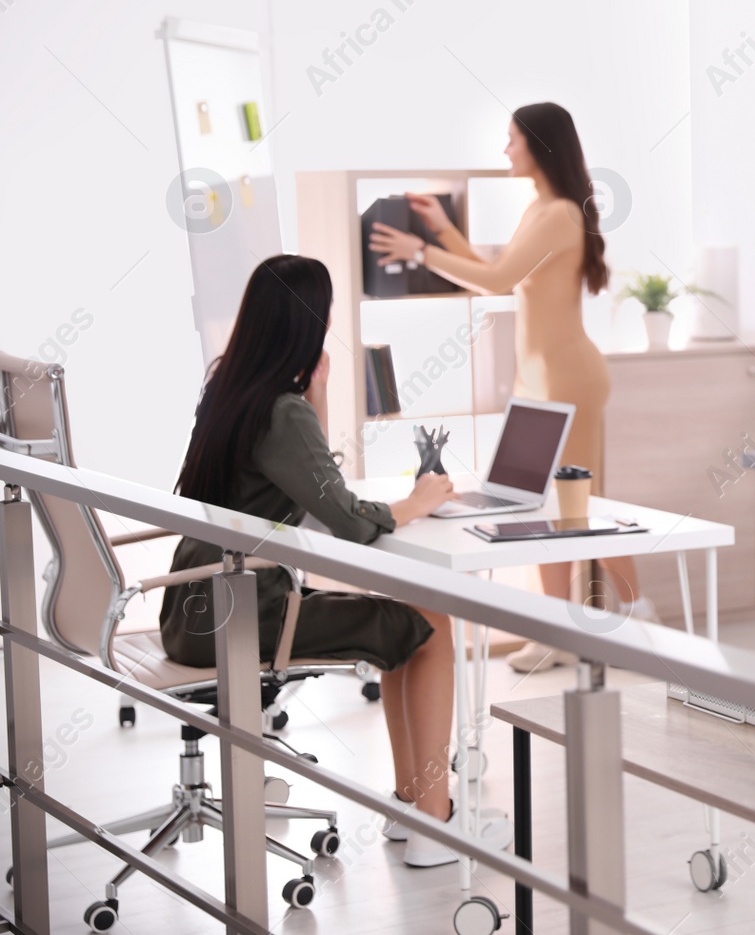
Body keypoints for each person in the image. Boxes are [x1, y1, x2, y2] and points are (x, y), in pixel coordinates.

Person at [163, 254, 509, 867]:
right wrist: (416, 501)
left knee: (407, 614)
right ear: (307, 325)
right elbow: (347, 520)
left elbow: (307, 484)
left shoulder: (228, 388)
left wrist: (315, 399)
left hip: (191, 607)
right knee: (429, 628)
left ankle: (411, 804)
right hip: (244, 614)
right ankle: (434, 821)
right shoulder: (281, 408)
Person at [367, 102, 649, 673]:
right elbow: (496, 273)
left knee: (578, 506)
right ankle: (564, 628)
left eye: (512, 139)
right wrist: (443, 230)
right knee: (547, 506)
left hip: (569, 379)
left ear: (538, 146)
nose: (504, 150)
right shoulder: (541, 209)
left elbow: (496, 278)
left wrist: (421, 248)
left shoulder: (560, 213)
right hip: (542, 379)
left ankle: (637, 616)